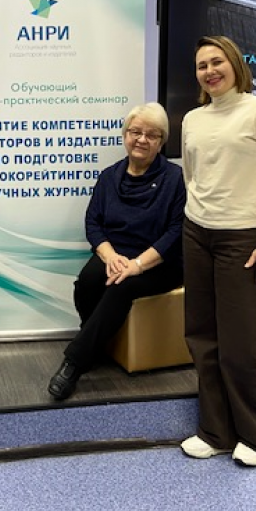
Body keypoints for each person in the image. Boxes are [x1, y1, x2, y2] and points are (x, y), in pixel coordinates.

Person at [180, 35, 256, 467]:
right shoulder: (192, 119)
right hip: (197, 233)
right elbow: (192, 177)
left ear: (235, 64)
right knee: (202, 338)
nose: (209, 71)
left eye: (217, 62)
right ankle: (216, 432)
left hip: (244, 240)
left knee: (240, 344)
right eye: (201, 65)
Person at [48, 102, 185, 400]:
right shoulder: (109, 176)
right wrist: (110, 256)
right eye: (135, 132)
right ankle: (94, 343)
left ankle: (74, 363)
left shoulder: (175, 179)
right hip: (117, 254)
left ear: (161, 141)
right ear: (125, 135)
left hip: (160, 262)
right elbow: (93, 222)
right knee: (87, 281)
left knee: (121, 287)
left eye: (152, 134)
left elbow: (176, 232)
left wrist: (137, 265)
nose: (142, 139)